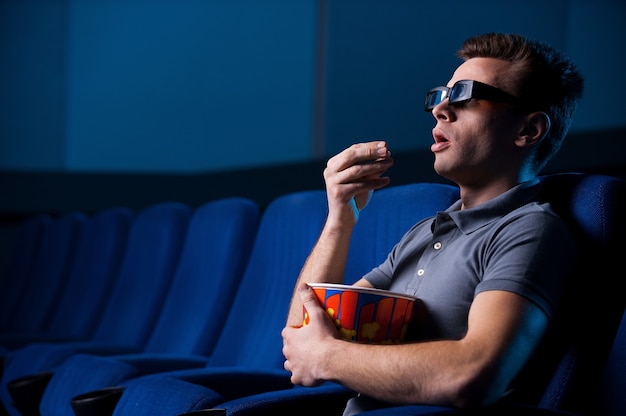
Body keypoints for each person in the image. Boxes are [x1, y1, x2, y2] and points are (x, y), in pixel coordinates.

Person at [281, 32, 584, 415]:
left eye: (467, 96)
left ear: (529, 131)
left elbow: (473, 375)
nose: (441, 110)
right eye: (443, 95)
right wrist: (340, 218)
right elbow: (301, 337)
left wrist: (327, 356)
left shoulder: (530, 229)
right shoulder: (423, 234)